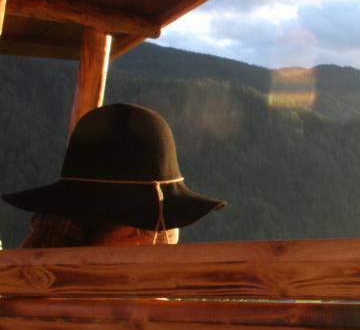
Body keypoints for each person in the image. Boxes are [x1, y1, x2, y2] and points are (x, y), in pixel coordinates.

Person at [2, 103, 225, 248]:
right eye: (173, 224)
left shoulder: (23, 292)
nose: (174, 239)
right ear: (137, 235)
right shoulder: (147, 316)